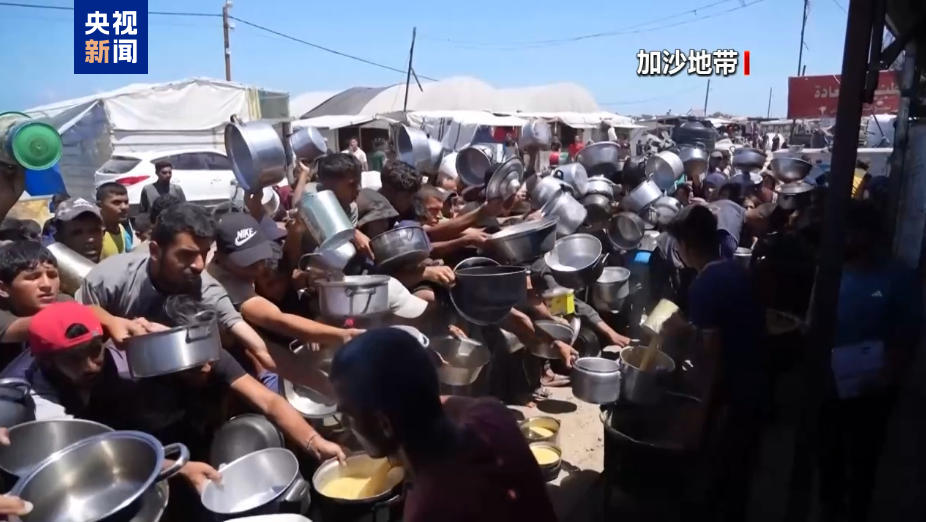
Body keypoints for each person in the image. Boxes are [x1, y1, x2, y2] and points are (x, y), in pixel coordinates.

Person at [75, 203, 319, 391]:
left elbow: (250, 338)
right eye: (186, 255)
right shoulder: (111, 278)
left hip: (180, 389)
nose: (199, 265)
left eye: (204, 253)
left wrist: (325, 386)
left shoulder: (206, 288)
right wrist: (111, 323)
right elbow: (76, 317)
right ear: (155, 251)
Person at [330, 328, 557, 522]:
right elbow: (434, 401)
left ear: (384, 424)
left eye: (348, 415)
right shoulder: (492, 416)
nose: (346, 425)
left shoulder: (431, 508)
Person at [1, 301, 223, 493]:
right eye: (73, 358)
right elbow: (86, 457)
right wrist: (180, 468)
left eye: (94, 350)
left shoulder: (114, 345)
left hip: (115, 422)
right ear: (46, 362)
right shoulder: (34, 401)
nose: (90, 366)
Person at [663, 205, 766, 521]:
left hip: (732, 393)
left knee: (717, 476)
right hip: (757, 383)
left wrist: (698, 414)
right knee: (740, 474)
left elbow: (712, 358)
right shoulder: (736, 270)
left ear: (687, 246)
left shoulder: (704, 285)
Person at [818, 201, 920, 522]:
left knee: (863, 457)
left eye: (849, 232)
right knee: (829, 451)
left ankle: (856, 511)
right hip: (832, 380)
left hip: (873, 387)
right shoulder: (832, 270)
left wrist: (887, 375)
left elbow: (907, 336)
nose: (842, 239)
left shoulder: (897, 278)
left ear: (867, 235)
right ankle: (830, 509)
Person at [207, 212, 363, 349]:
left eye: (259, 259)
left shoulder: (242, 268)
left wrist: (297, 230)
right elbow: (275, 320)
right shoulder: (223, 284)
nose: (258, 268)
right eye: (248, 263)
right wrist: (341, 335)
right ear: (220, 258)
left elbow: (289, 254)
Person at [51, 197, 104, 263]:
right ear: (59, 238)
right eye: (77, 233)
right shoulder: (48, 268)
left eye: (95, 231)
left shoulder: (113, 267)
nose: (90, 240)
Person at [96, 182, 133, 259]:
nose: (124, 207)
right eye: (116, 202)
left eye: (126, 202)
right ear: (100, 205)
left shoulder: (122, 230)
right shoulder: (96, 236)